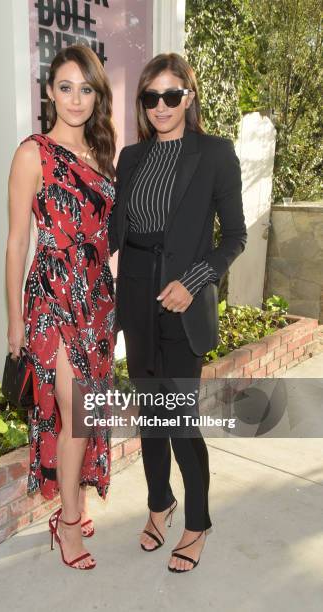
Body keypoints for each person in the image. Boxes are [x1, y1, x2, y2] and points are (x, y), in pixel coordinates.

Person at [109, 53, 247, 573]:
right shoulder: (131, 157)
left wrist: (191, 283)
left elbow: (234, 237)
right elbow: (118, 231)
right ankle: (158, 502)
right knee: (150, 414)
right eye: (151, 97)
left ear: (188, 97)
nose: (161, 106)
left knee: (180, 417)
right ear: (143, 103)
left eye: (171, 95)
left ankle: (197, 522)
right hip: (138, 293)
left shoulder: (215, 154)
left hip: (183, 300)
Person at [6, 44, 116, 570]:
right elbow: (15, 243)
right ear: (49, 91)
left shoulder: (102, 153)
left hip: (97, 297)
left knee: (85, 411)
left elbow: (108, 235)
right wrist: (13, 323)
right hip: (52, 293)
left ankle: (71, 502)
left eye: (86, 88)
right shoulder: (33, 153)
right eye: (66, 87)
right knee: (73, 412)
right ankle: (68, 522)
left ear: (97, 95)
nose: (76, 98)